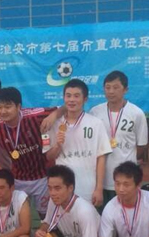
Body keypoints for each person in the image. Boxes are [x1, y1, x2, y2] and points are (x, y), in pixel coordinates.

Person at [0, 87, 58, 217]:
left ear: (19, 106)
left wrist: (53, 116)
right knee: (16, 216)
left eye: (8, 107)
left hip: (42, 177)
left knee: (46, 215)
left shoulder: (34, 116)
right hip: (18, 179)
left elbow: (62, 108)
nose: (3, 111)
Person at [47, 78, 111, 206]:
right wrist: (58, 145)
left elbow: (101, 157)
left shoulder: (95, 123)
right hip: (62, 188)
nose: (71, 100)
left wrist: (99, 188)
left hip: (87, 188)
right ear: (63, 98)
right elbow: (49, 156)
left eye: (76, 96)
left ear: (85, 99)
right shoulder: (54, 124)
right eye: (68, 96)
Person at [89, 71, 148, 206]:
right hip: (100, 180)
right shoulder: (95, 112)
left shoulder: (137, 113)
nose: (111, 91)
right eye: (108, 87)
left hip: (125, 180)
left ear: (125, 89)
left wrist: (125, 156)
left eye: (116, 87)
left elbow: (141, 146)